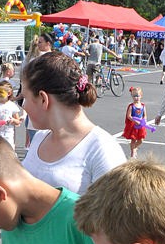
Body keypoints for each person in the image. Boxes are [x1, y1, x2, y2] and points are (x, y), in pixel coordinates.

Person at [20, 50, 125, 195]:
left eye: (24, 98)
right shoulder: (39, 138)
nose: (23, 106)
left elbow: (113, 214)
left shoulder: (102, 149)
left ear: (43, 99)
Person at [0, 80, 24, 148]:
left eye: (1, 92)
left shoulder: (12, 105)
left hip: (8, 135)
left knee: (8, 151)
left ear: (9, 93)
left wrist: (13, 120)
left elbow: (18, 122)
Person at [122, 86, 148, 158]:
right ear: (132, 96)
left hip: (140, 126)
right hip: (134, 125)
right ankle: (133, 153)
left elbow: (145, 115)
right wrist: (135, 121)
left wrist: (144, 120)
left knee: (140, 140)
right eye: (134, 96)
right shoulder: (131, 106)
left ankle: (134, 148)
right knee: (133, 140)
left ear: (141, 96)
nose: (136, 98)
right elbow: (129, 116)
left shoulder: (143, 106)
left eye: (138, 96)